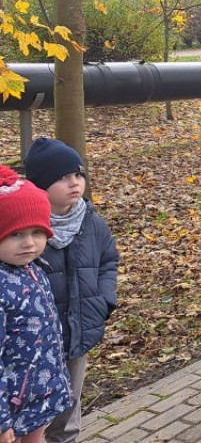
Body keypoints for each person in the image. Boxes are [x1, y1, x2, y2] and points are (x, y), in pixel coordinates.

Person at [23, 139, 117, 443]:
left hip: (78, 330)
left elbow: (108, 261)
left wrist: (104, 301)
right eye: (63, 177)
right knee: (32, 413)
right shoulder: (25, 229)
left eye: (78, 174)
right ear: (41, 184)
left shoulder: (91, 221)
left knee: (68, 407)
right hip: (34, 340)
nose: (74, 183)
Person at [0, 166, 72, 443]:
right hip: (11, 408)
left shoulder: (33, 268)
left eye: (37, 232)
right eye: (15, 234)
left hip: (37, 398)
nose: (29, 243)